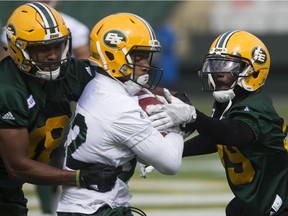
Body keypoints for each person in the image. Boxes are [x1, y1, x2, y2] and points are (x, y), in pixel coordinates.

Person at [147, 30, 288, 216]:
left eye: (227, 66)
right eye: (215, 64)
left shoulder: (257, 105)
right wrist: (171, 151)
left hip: (279, 198)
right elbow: (217, 139)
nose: (218, 73)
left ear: (252, 71)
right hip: (254, 197)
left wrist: (194, 117)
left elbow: (234, 133)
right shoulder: (228, 100)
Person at [56, 13, 185, 216]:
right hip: (95, 208)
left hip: (91, 204)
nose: (146, 64)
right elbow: (170, 163)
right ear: (112, 55)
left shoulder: (101, 85)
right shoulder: (118, 107)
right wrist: (176, 124)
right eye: (138, 56)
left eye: (147, 56)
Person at [0, 2, 118, 216]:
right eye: (42, 48)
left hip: (9, 191)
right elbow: (17, 166)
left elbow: (117, 83)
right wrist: (80, 177)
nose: (53, 55)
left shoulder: (67, 72)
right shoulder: (7, 90)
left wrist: (164, 99)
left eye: (57, 45)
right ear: (18, 48)